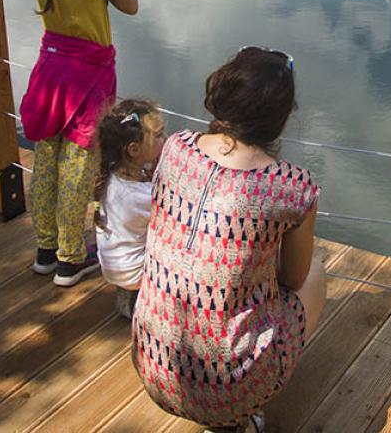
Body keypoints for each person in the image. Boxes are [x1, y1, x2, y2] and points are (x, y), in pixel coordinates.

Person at [132, 47, 327, 433]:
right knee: (315, 275)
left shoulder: (175, 147)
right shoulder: (292, 187)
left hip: (152, 360)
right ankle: (238, 412)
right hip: (227, 386)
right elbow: (292, 280)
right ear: (281, 116)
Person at [21, 0, 138, 287]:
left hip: (50, 70)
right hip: (87, 77)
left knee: (46, 159)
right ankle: (71, 259)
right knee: (78, 167)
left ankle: (45, 248)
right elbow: (131, 5)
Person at [94, 99, 165, 319]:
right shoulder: (139, 196)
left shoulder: (112, 175)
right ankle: (141, 300)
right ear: (134, 149)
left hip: (114, 264)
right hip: (133, 272)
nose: (166, 139)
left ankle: (129, 295)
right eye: (160, 135)